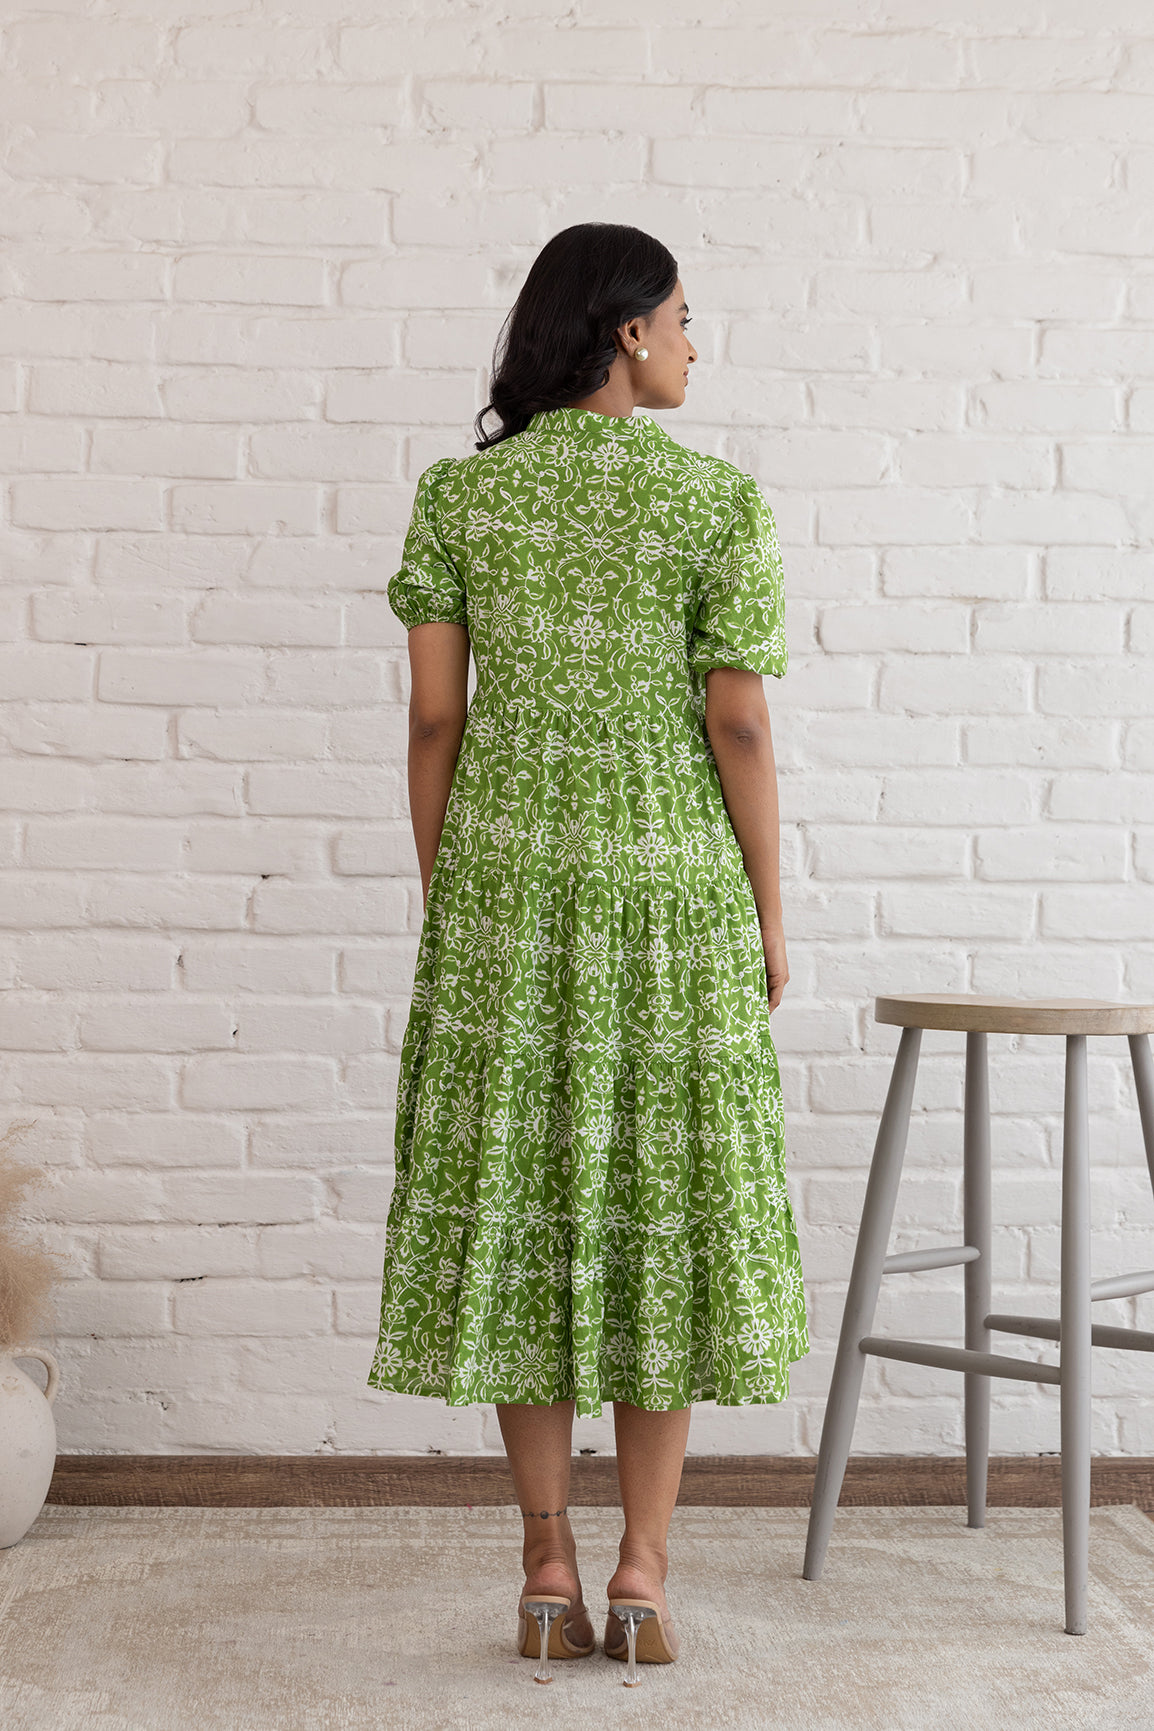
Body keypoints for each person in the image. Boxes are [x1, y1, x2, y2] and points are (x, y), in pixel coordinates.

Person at [367, 221, 808, 1683]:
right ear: (624, 332)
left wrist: (454, 887)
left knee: (528, 1206)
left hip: (506, 887)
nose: (694, 340)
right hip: (670, 895)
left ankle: (545, 1564)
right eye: (683, 316)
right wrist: (765, 905)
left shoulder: (461, 498)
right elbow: (736, 720)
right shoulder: (715, 502)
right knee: (658, 1212)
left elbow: (434, 720)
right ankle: (643, 1574)